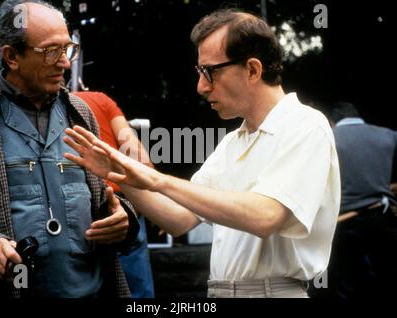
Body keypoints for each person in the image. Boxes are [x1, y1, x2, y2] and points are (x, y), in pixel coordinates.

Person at [63, 9, 341, 298]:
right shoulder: (233, 142)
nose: (201, 86)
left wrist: (158, 180)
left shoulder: (305, 125)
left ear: (253, 70)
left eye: (211, 71)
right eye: (200, 72)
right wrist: (121, 176)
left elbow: (265, 216)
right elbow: (179, 218)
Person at [0, 0, 139, 298]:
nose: (65, 62)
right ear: (12, 56)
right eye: (51, 51)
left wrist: (123, 219)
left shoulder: (80, 113)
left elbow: (104, 201)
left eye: (67, 48)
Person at [73, 91, 155, 298]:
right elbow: (133, 149)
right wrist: (157, 197)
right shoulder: (101, 100)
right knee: (137, 290)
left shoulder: (41, 110)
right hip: (123, 202)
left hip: (76, 207)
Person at [312, 101, 397, 298]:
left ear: (332, 122)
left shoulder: (327, 139)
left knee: (343, 285)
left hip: (343, 225)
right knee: (386, 278)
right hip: (382, 218)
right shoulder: (389, 135)